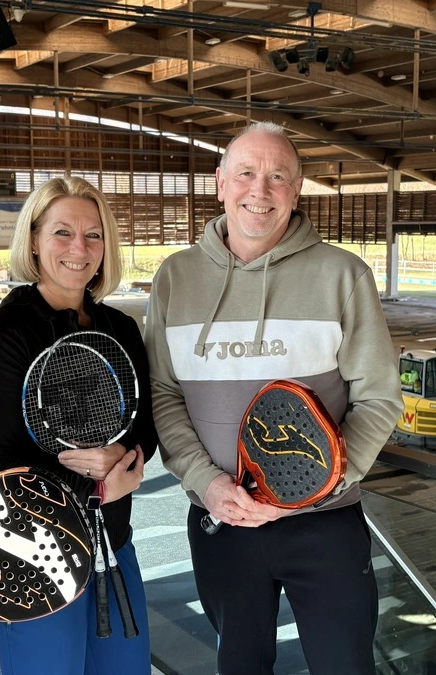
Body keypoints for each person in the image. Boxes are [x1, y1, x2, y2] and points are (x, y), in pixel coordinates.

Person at [144, 121, 403, 674]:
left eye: (277, 177)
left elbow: (379, 398)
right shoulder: (175, 278)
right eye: (245, 173)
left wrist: (319, 484)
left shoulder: (343, 275)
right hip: (222, 519)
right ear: (220, 183)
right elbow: (164, 394)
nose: (259, 191)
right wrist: (207, 483)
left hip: (325, 523)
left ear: (297, 189)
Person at [0, 176, 155, 675]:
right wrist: (98, 488)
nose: (80, 248)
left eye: (93, 235)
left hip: (111, 546)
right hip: (34, 557)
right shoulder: (7, 334)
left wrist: (125, 460)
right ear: (33, 241)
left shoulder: (120, 328)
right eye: (62, 233)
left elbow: (145, 428)